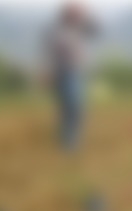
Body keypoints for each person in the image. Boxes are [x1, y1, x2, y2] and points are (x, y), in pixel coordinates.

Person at [46, 2, 97, 152]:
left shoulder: (77, 31)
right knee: (72, 107)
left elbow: (94, 30)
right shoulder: (61, 33)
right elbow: (55, 55)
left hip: (76, 74)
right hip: (66, 73)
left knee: (73, 109)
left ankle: (69, 141)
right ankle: (68, 144)